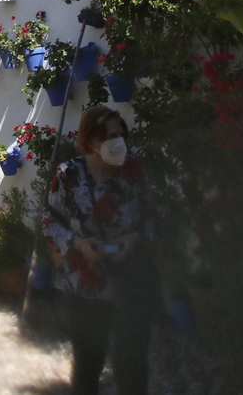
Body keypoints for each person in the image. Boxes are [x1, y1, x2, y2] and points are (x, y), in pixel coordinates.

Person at [41, 106, 157, 395]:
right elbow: (48, 221)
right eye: (111, 136)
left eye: (121, 135)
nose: (119, 142)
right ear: (92, 141)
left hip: (131, 281)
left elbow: (150, 215)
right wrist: (78, 244)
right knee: (88, 366)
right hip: (85, 285)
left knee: (133, 362)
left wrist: (135, 237)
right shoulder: (68, 175)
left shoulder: (133, 170)